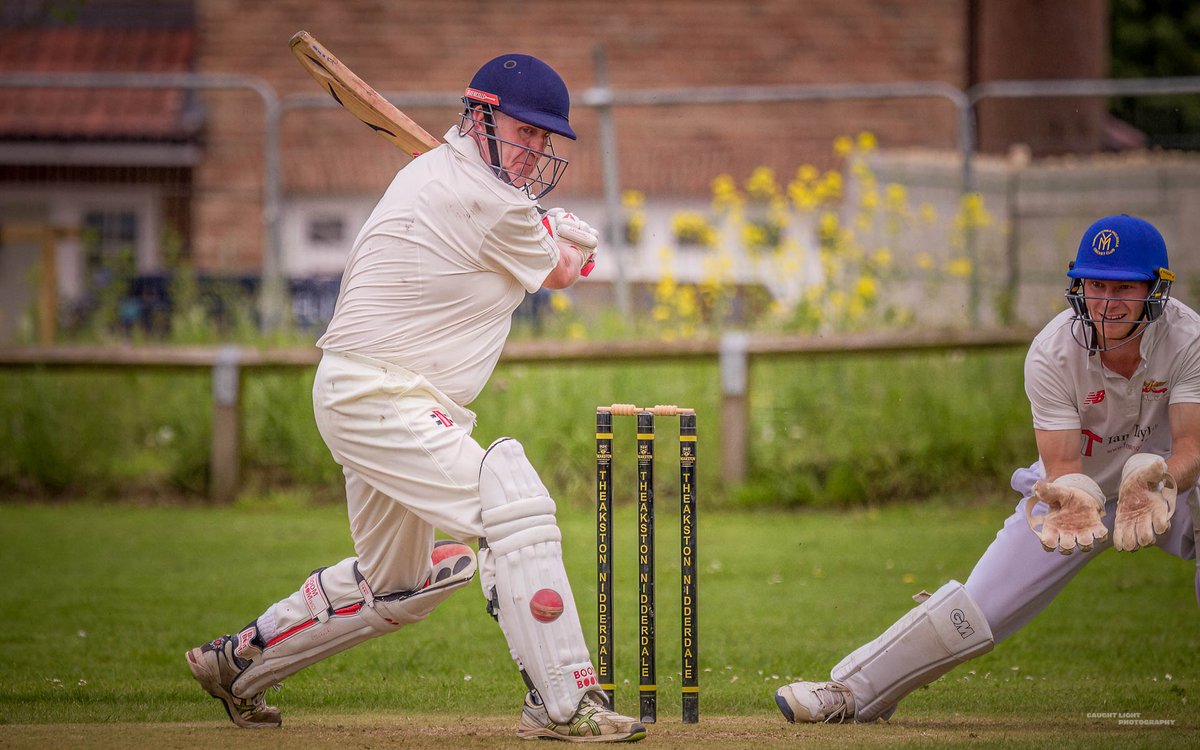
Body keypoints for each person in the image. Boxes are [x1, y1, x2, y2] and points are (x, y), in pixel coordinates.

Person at [185, 53, 646, 743]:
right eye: (525, 132)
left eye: (545, 138)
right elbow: (556, 272)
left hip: (372, 394)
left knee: (398, 586)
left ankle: (239, 662)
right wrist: (568, 245)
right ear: (480, 119)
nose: (536, 150)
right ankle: (563, 703)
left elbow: (533, 248)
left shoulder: (459, 180)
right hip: (380, 393)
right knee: (513, 502)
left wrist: (549, 235)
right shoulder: (486, 199)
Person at [775, 214, 1200, 724]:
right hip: (1075, 495)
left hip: (1162, 485)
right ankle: (850, 692)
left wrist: (1161, 481)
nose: (1107, 303)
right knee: (974, 612)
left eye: (1124, 288)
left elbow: (1191, 446)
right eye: (1096, 285)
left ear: (1155, 290)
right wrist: (1070, 494)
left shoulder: (1187, 338)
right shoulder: (1052, 351)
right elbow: (1065, 466)